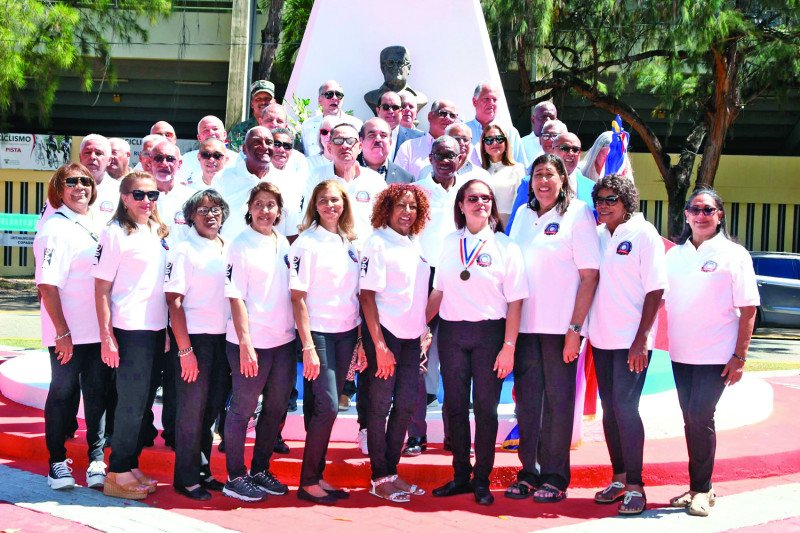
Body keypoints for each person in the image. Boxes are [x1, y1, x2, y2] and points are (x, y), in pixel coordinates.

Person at [507, 154, 600, 503]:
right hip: (524, 327)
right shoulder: (522, 216)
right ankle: (528, 472)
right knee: (528, 404)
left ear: (563, 178)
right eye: (538, 174)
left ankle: (555, 476)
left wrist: (575, 328)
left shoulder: (577, 214)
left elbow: (590, 275)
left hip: (562, 328)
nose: (543, 181)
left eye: (550, 174)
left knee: (559, 404)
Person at [428, 178, 527, 506]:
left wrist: (508, 347)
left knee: (485, 410)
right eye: (473, 198)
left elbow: (515, 302)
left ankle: (482, 479)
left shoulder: (505, 246)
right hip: (453, 334)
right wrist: (418, 329)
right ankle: (460, 476)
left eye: (486, 198)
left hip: (490, 336)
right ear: (461, 204)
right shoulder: (447, 243)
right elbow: (438, 291)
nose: (480, 203)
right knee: (454, 408)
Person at [665, 188, 759, 517]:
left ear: (719, 215)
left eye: (709, 210)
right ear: (686, 214)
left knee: (700, 416)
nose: (701, 215)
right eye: (696, 209)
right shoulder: (674, 256)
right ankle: (697, 486)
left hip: (717, 356)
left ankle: (703, 490)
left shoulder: (734, 255)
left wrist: (740, 357)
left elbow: (748, 309)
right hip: (680, 354)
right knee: (691, 420)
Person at [587, 175, 668, 515]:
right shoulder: (597, 235)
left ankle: (636, 486)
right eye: (600, 200)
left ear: (626, 201)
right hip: (601, 338)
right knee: (610, 410)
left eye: (611, 199)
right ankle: (619, 478)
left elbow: (656, 290)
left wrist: (640, 340)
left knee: (626, 408)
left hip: (631, 341)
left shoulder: (643, 233)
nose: (604, 205)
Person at [34, 163, 112, 491]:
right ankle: (56, 462)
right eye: (71, 182)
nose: (80, 186)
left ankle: (96, 458)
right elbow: (47, 286)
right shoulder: (54, 228)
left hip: (97, 331)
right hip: (66, 334)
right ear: (59, 188)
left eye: (85, 181)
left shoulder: (97, 222)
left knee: (97, 395)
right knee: (63, 394)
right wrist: (62, 332)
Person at [92, 172, 169, 500]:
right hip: (129, 328)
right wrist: (106, 336)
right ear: (124, 197)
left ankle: (129, 463)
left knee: (143, 405)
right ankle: (118, 472)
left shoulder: (157, 230)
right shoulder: (114, 233)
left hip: (154, 330)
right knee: (130, 404)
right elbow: (101, 289)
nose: (146, 201)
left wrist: (164, 331)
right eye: (138, 195)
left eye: (152, 195)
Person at [222, 182, 297, 502]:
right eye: (259, 204)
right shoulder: (239, 244)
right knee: (242, 409)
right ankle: (234, 475)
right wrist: (245, 343)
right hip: (250, 342)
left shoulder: (283, 243)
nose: (265, 211)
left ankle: (260, 469)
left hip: (283, 341)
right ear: (249, 209)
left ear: (279, 212)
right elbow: (235, 297)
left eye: (271, 205)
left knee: (276, 408)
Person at [290, 180, 362, 505]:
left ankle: (317, 477)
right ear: (314, 205)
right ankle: (308, 482)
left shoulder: (349, 241)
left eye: (335, 200)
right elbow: (297, 298)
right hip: (317, 334)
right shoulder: (307, 243)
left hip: (346, 332)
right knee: (329, 405)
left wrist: (359, 339)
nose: (330, 205)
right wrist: (307, 345)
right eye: (323, 201)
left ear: (344, 203)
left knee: (322, 408)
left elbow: (356, 294)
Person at [359, 184, 431, 503]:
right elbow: (366, 296)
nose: (407, 212)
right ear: (387, 209)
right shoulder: (376, 242)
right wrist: (378, 344)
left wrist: (423, 329)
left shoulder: (415, 242)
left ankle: (391, 471)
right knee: (378, 408)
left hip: (411, 338)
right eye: (401, 205)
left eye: (413, 207)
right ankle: (379, 476)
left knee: (404, 406)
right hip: (384, 337)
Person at [165, 189, 231, 501]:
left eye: (216, 208)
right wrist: (185, 350)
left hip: (223, 341)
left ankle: (203, 470)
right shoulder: (183, 250)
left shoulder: (227, 247)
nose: (210, 214)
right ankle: (186, 477)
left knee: (210, 412)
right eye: (203, 210)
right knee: (191, 413)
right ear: (191, 216)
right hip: (194, 342)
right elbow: (173, 302)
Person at [465, 83, 528, 168]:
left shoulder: (510, 132)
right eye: (486, 99)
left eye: (494, 99)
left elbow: (522, 167)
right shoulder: (463, 131)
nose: (491, 103)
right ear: (474, 101)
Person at [394, 99, 458, 178]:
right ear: (430, 116)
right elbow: (398, 181)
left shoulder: (461, 150)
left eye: (452, 115)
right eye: (443, 113)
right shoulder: (409, 147)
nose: (448, 118)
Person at [480, 123, 526, 225]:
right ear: (483, 146)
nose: (494, 143)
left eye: (499, 139)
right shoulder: (479, 171)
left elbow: (521, 204)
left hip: (509, 224)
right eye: (489, 140)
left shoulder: (517, 169)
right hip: (483, 225)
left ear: (506, 143)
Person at [301, 80, 363, 156]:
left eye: (338, 95)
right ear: (319, 100)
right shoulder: (308, 125)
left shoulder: (357, 125)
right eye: (329, 94)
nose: (334, 98)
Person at [364, 45, 428, 114]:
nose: (396, 67)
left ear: (409, 68)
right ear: (382, 68)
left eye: (400, 63)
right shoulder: (371, 97)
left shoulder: (420, 98)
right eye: (390, 63)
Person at [358, 117, 414, 184]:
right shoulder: (346, 170)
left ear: (390, 143)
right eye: (372, 135)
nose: (378, 139)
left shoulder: (406, 179)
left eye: (383, 135)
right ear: (361, 141)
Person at [228, 80, 275, 152]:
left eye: (267, 99)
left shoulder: (283, 130)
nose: (263, 102)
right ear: (252, 104)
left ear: (274, 102)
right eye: (258, 99)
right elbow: (232, 157)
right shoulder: (238, 130)